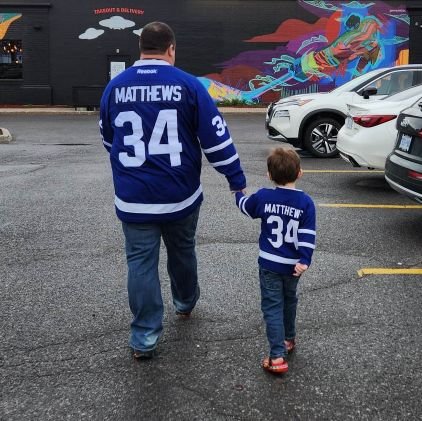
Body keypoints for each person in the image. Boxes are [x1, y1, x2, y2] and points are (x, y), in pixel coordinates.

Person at [100, 22, 246, 359]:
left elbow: (109, 140)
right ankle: (184, 302)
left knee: (140, 264)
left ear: (140, 48)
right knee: (182, 252)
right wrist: (236, 180)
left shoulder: (114, 88)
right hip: (180, 197)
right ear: (171, 49)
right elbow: (217, 141)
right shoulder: (189, 86)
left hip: (134, 199)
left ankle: (144, 338)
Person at [234, 148, 316, 374]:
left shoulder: (263, 196)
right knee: (289, 300)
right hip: (293, 266)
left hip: (269, 264)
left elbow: (246, 208)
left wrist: (238, 193)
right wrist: (305, 260)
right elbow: (307, 235)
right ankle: (288, 339)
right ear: (299, 173)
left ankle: (277, 356)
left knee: (272, 306)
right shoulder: (306, 203)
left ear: (269, 175)